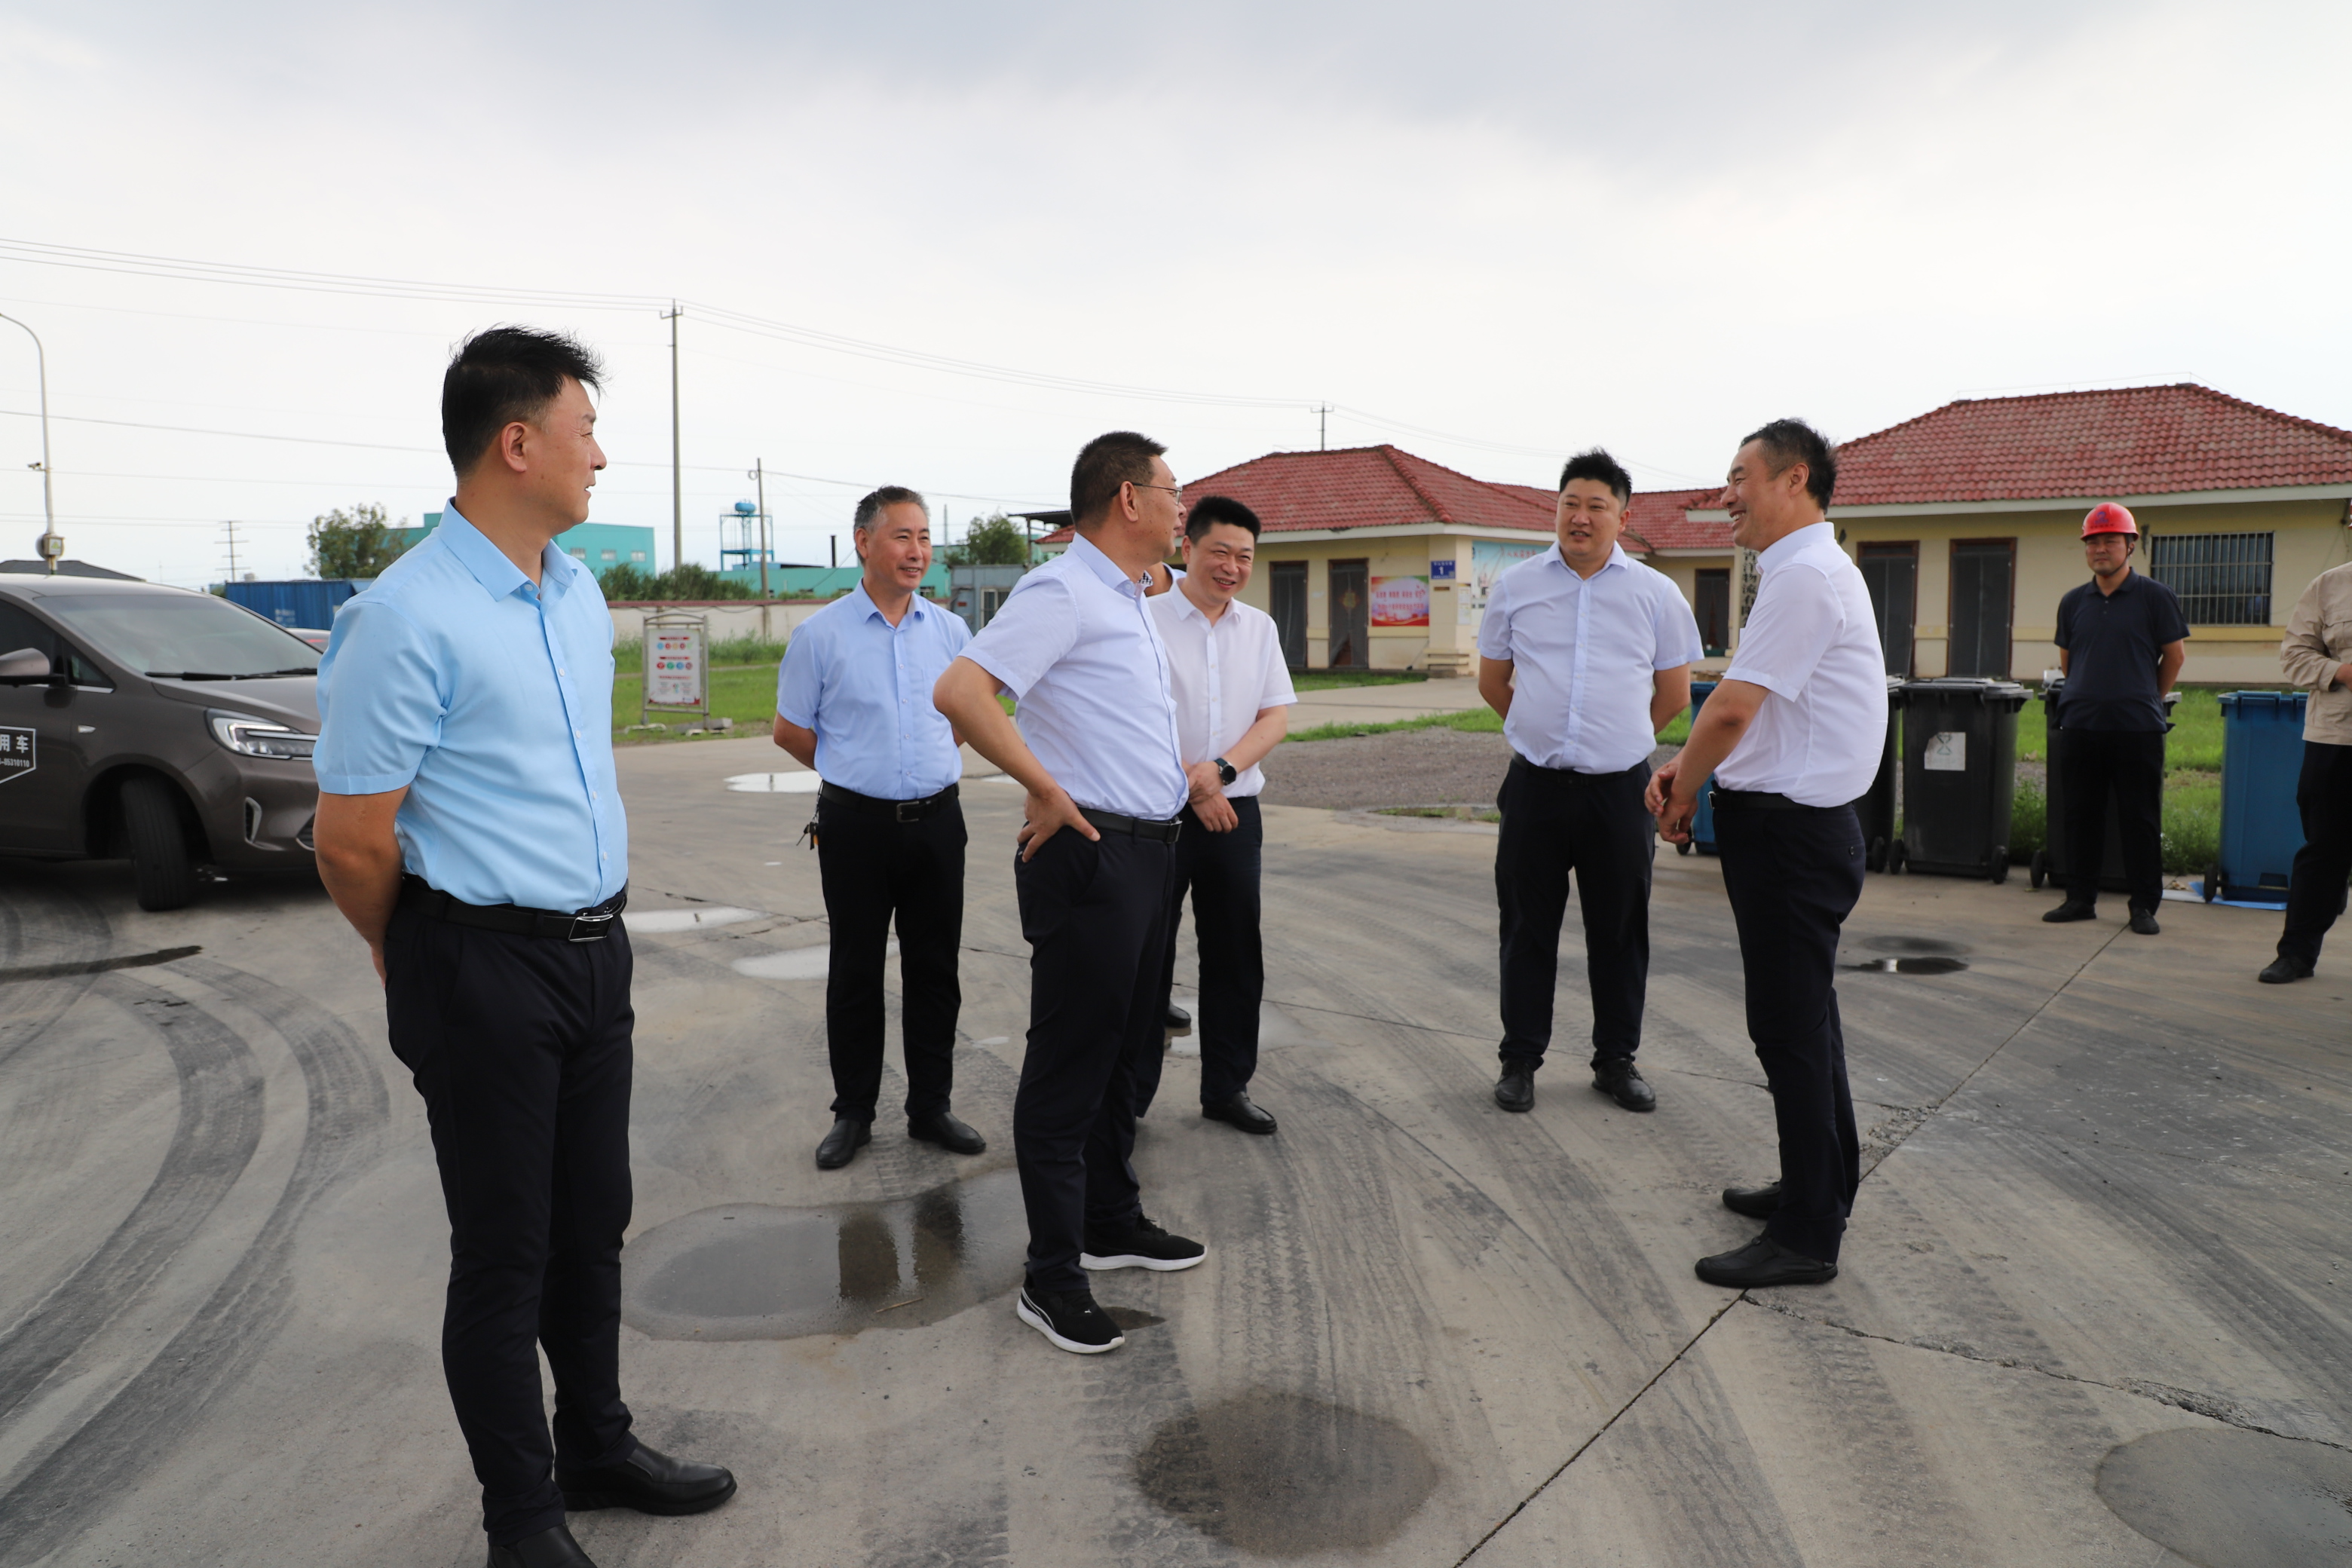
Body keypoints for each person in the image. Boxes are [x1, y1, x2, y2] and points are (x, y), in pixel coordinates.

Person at [313, 328, 733, 1568]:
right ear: (516, 443)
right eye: (584, 430)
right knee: (505, 1253)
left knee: (591, 1223)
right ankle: (524, 1522)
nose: (599, 456)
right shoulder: (404, 616)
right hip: (481, 964)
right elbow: (351, 839)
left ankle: (596, 1443)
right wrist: (407, 953)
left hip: (596, 951)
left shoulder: (573, 589)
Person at [933, 430, 1207, 1356]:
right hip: (1093, 856)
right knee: (1070, 1070)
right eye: (1173, 492)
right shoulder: (1061, 590)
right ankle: (1052, 1276)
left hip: (1151, 855)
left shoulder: (1127, 595)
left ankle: (1109, 1220)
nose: (1182, 508)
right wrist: (1044, 787)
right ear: (1129, 498)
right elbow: (963, 691)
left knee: (1128, 1055)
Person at [1647, 418, 1884, 1290]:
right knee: (1806, 1019)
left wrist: (1681, 788)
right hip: (1793, 828)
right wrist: (1690, 770)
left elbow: (1732, 708)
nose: (1727, 495)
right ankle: (1821, 1180)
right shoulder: (1801, 570)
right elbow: (1761, 712)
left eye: (1740, 476)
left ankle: (1808, 1232)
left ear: (1794, 479)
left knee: (1788, 1026)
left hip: (1791, 837)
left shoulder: (1806, 577)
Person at [1478, 449, 1702, 1118]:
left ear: (1623, 518)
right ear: (1556, 510)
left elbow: (1675, 694)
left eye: (1596, 506)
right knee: (1526, 928)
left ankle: (1616, 1061)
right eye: (1569, 503)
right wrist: (1540, 729)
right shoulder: (1517, 586)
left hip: (1619, 793)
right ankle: (1520, 1061)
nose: (1580, 517)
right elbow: (1493, 681)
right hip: (1536, 789)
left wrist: (1621, 740)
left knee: (1620, 929)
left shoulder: (1656, 594)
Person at [773, 486, 982, 1169]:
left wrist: (920, 766)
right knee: (856, 970)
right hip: (854, 828)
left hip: (938, 824)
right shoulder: (820, 635)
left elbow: (965, 718)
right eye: (902, 536)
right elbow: (790, 731)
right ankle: (854, 1113)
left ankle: (931, 1108)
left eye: (924, 538)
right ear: (864, 542)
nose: (917, 551)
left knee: (935, 968)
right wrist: (854, 770)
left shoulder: (950, 632)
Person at [1139, 495, 1297, 1134]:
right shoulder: (1145, 619)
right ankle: (1131, 1096)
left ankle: (1227, 1087)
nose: (1232, 567)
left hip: (1236, 815)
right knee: (1147, 954)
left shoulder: (1259, 629)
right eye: (1220, 552)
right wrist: (1195, 787)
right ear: (1188, 549)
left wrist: (1221, 774)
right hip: (1157, 815)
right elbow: (1135, 716)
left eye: (1245, 557)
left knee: (1235, 955)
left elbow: (1275, 717)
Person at [2041, 502, 2188, 936]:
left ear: (2130, 546)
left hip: (2137, 729)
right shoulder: (2073, 602)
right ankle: (2080, 898)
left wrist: (2146, 698)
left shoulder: (2155, 597)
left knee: (2139, 819)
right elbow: (2069, 661)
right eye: (2093, 542)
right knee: (2081, 816)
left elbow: (2175, 656)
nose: (2100, 549)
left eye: (2110, 541)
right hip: (2080, 725)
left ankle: (2143, 905)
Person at [2262, 556, 2352, 982]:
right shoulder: (2328, 586)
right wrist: (2342, 671)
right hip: (2337, 737)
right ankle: (2297, 954)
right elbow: (2294, 655)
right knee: (2323, 849)